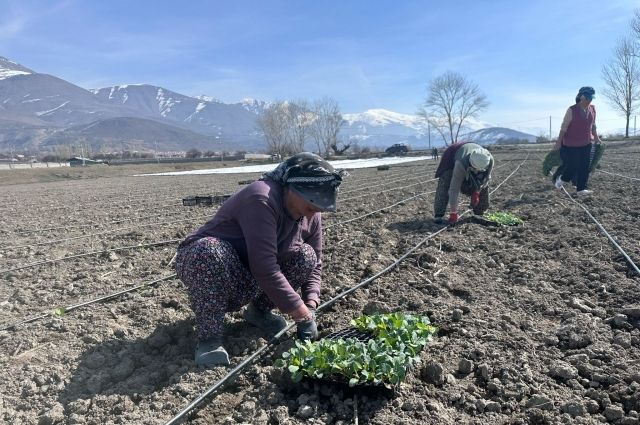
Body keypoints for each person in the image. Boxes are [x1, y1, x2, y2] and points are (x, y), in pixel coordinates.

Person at [175, 152, 347, 367]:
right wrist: (300, 314)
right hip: (215, 266)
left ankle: (258, 312)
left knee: (306, 256)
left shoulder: (310, 215)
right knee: (208, 251)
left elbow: (315, 262)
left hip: (252, 273)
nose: (313, 214)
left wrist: (310, 303)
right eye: (312, 206)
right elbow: (264, 267)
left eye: (319, 209)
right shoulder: (262, 198)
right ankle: (209, 339)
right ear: (293, 189)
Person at [554, 86, 602, 196]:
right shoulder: (572, 110)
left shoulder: (592, 109)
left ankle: (581, 189)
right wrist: (558, 142)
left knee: (584, 166)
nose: (589, 100)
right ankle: (562, 179)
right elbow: (563, 127)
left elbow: (593, 125)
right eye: (587, 97)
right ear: (581, 97)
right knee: (573, 165)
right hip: (571, 143)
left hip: (586, 142)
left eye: (591, 98)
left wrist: (596, 138)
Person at [433, 142, 494, 224]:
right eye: (474, 169)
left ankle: (480, 211)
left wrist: (477, 191)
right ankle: (439, 214)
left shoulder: (489, 160)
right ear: (471, 163)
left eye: (479, 170)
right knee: (446, 181)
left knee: (481, 183)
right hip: (452, 156)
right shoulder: (461, 163)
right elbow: (454, 189)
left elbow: (486, 179)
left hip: (470, 156)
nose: (476, 172)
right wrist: (453, 213)